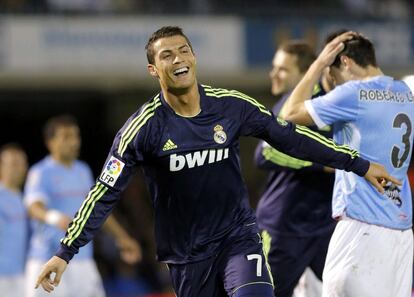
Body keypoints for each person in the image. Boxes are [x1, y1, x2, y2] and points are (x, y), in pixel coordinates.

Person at [36, 26, 398, 297]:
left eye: (183, 51)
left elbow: (290, 136)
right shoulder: (142, 129)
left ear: (194, 57)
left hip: (238, 238)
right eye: (167, 55)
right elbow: (104, 191)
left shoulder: (231, 105)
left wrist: (359, 164)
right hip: (186, 256)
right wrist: (65, 252)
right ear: (153, 70)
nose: (178, 59)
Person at [281, 31, 414, 297]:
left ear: (344, 61)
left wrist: (317, 64)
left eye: (332, 73)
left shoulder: (355, 93)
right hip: (401, 233)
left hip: (362, 227)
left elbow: (288, 114)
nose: (331, 82)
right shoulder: (405, 92)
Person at [24, 115, 141, 297]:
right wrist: (54, 218)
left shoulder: (83, 170)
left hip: (82, 260)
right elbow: (33, 208)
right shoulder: (40, 172)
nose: (73, 142)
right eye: (66, 137)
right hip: (48, 259)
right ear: (50, 142)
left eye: (75, 136)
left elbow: (97, 208)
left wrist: (122, 238)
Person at [255, 41, 335, 297]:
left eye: (282, 69)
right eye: (274, 68)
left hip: (325, 226)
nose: (273, 74)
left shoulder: (334, 103)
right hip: (283, 228)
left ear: (305, 72)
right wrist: (322, 162)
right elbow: (264, 153)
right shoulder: (291, 106)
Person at [0, 143, 28, 297]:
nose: (19, 169)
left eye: (23, 164)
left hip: (21, 276)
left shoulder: (24, 200)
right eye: (14, 164)